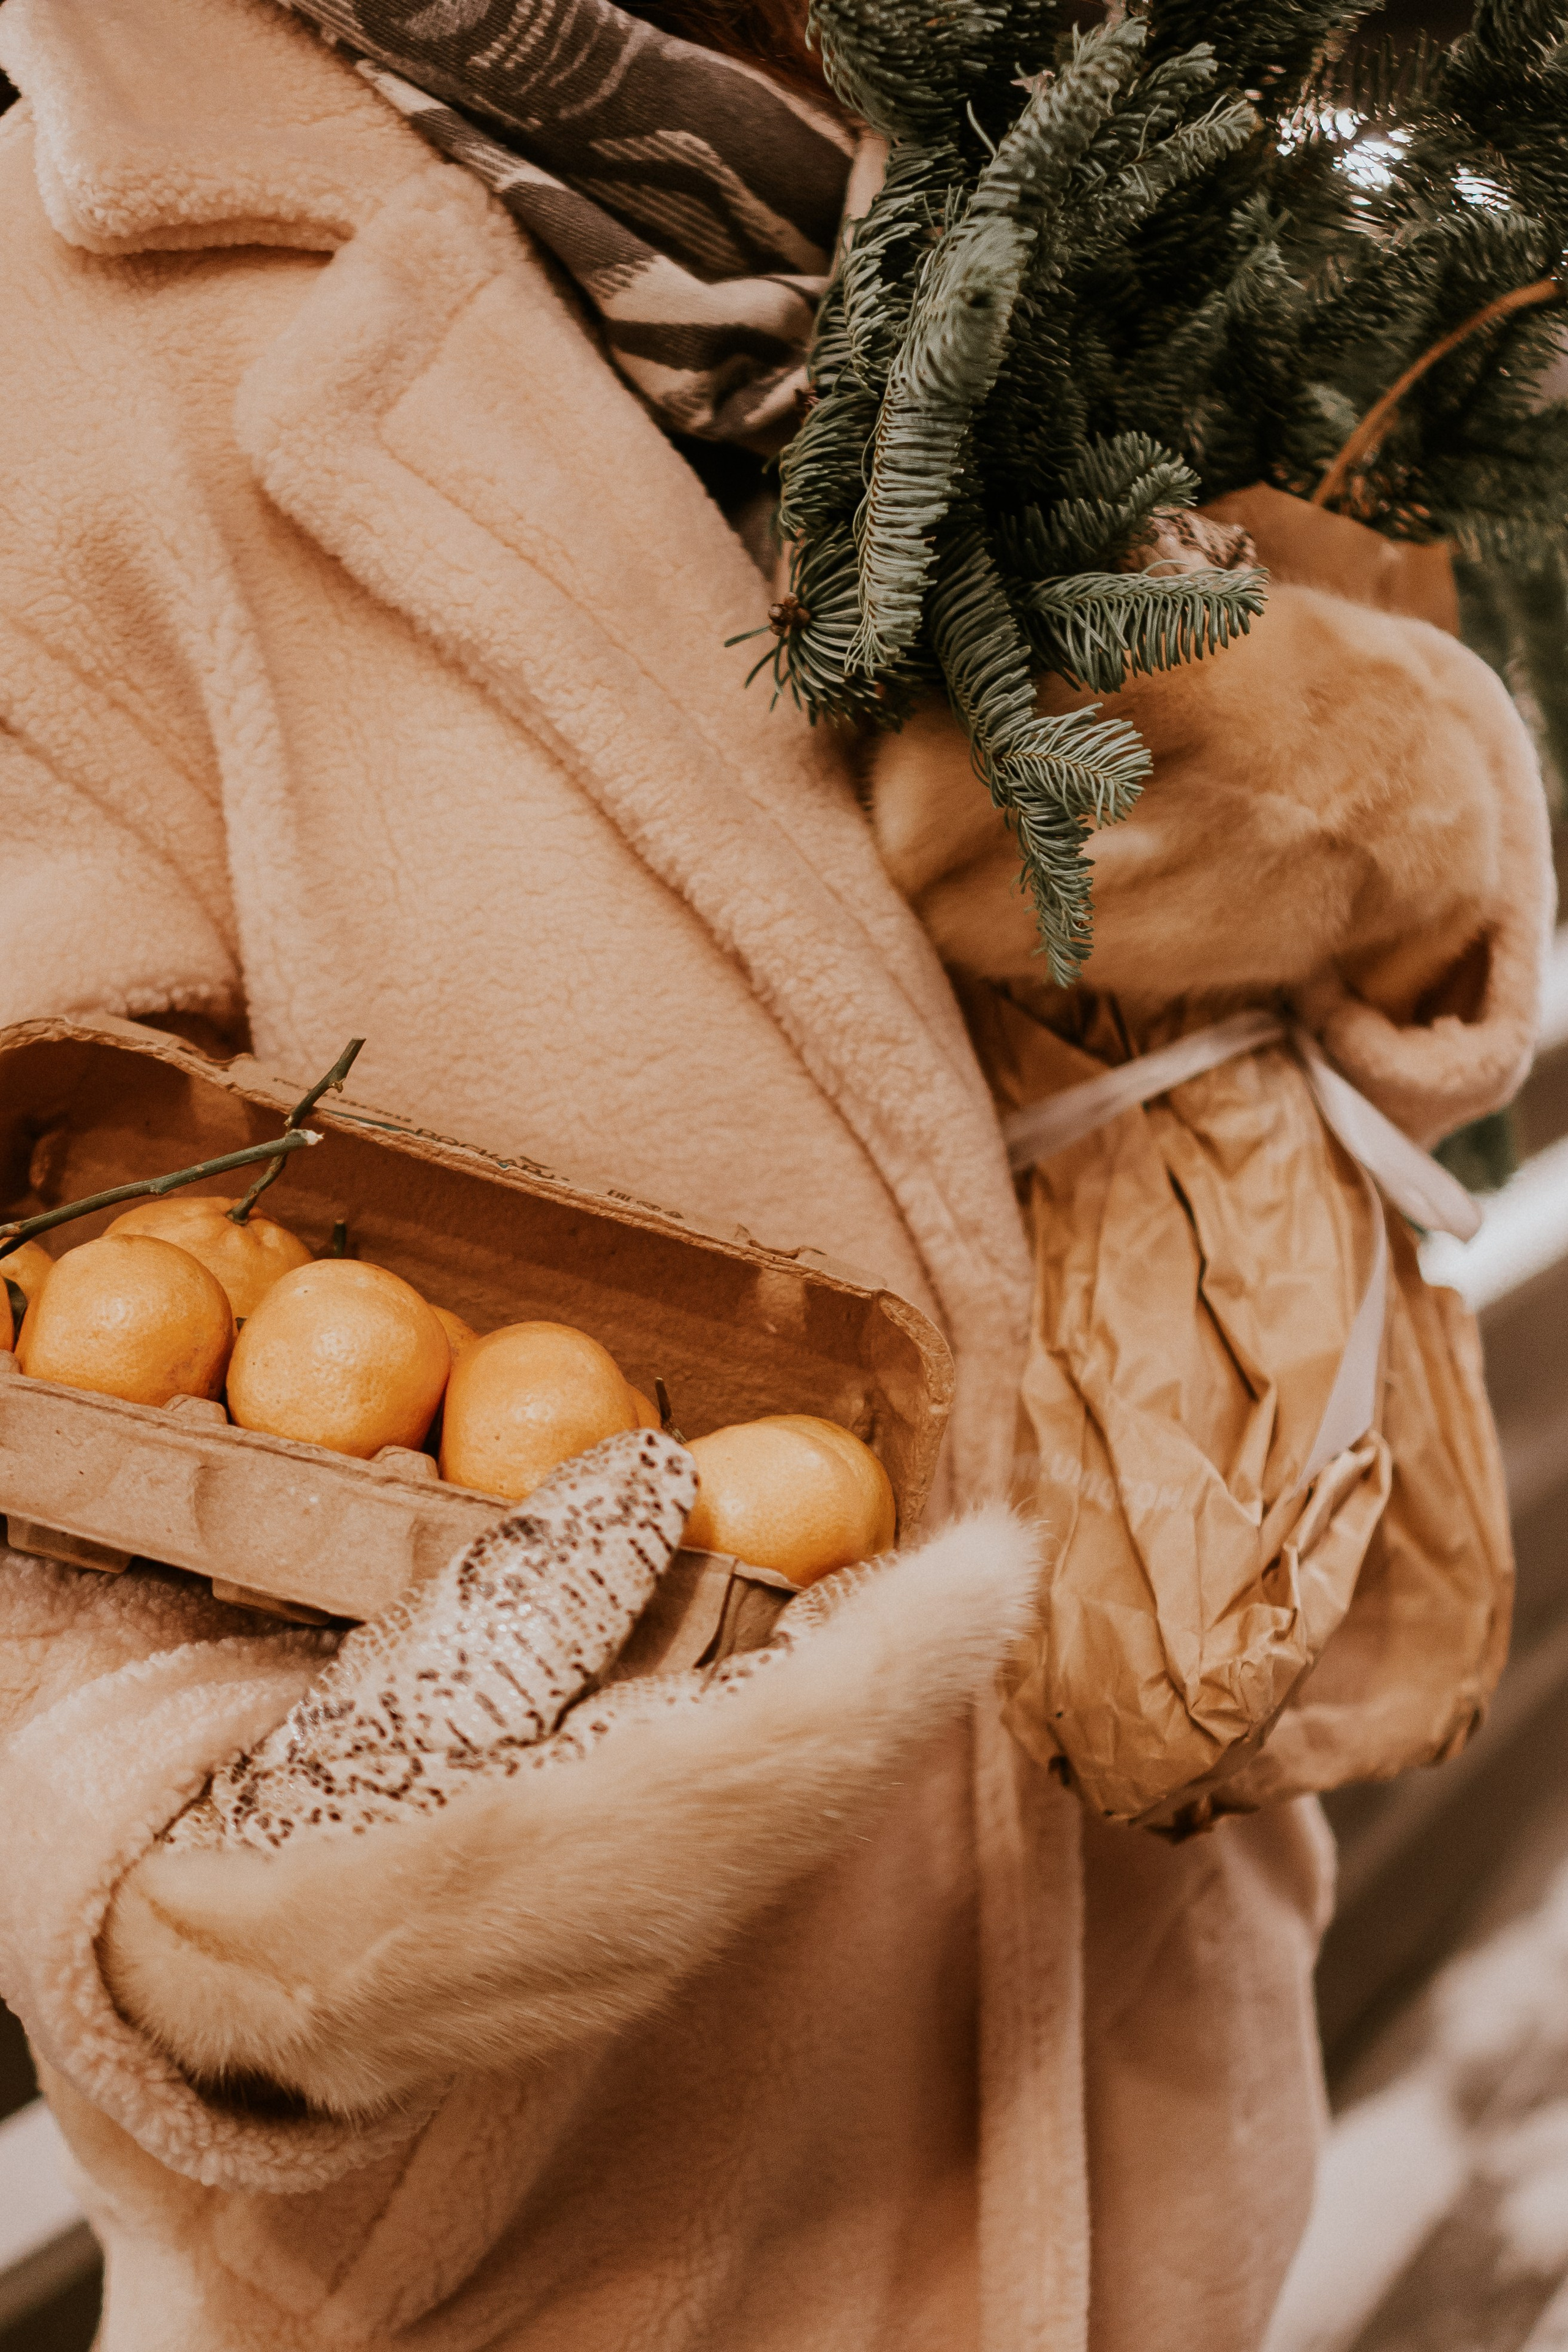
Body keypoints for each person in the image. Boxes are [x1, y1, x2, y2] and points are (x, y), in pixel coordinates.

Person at [0, 2, 1333, 2346]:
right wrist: (229, 1867)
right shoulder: (46, 361)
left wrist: (1397, 842)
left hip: (1150, 2119)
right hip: (581, 2235)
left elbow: (1290, 1021)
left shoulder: (1075, 199)